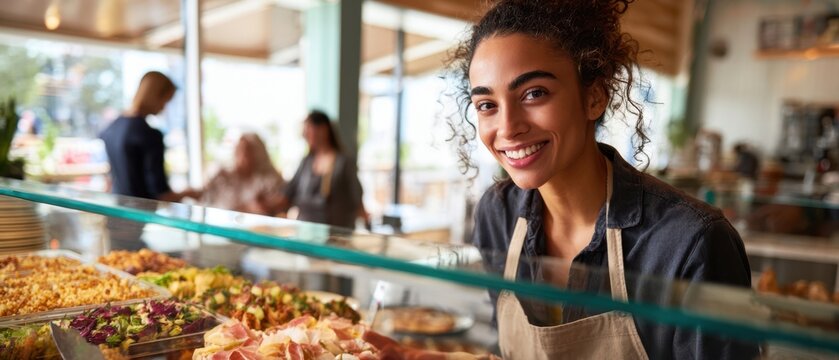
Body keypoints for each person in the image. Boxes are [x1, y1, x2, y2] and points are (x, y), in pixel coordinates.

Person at [366, 0, 757, 359]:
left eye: (534, 93)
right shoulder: (497, 214)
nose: (508, 128)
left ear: (595, 97)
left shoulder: (692, 243)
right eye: (487, 105)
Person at [100, 71, 195, 202]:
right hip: (140, 213)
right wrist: (189, 193)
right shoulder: (149, 135)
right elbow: (161, 194)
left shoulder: (113, 127)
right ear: (155, 96)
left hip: (115, 210)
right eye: (165, 101)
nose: (164, 107)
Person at [278, 110, 368, 229]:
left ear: (324, 129)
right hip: (306, 230)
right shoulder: (306, 161)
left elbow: (356, 195)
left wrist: (366, 220)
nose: (305, 135)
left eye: (309, 129)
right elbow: (289, 192)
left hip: (337, 232)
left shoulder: (344, 161)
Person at [197, 133, 286, 215]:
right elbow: (205, 194)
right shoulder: (223, 175)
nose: (243, 156)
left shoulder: (270, 180)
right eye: (240, 150)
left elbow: (276, 207)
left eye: (248, 152)